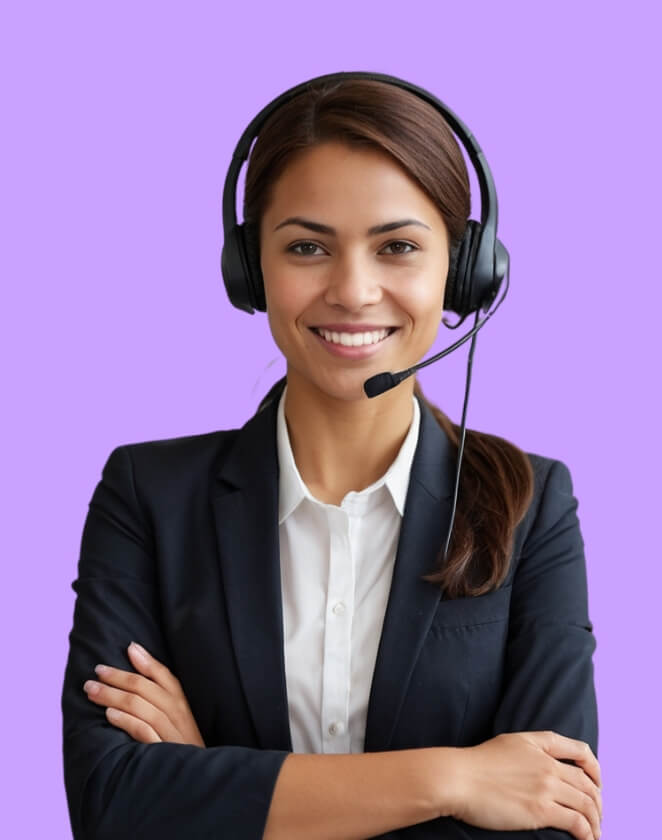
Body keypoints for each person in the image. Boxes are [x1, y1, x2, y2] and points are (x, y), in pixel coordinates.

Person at [61, 72, 602, 840]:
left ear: (466, 267)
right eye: (308, 246)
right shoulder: (148, 495)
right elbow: (113, 803)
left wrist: (213, 778)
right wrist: (453, 778)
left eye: (399, 247)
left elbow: (552, 820)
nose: (353, 291)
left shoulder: (534, 506)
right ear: (249, 270)